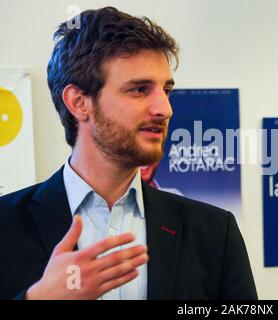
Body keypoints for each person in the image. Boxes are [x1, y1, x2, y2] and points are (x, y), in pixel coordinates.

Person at [0, 6, 257, 300]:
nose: (165, 109)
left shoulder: (213, 232)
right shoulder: (5, 226)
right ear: (79, 102)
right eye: (139, 90)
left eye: (166, 90)